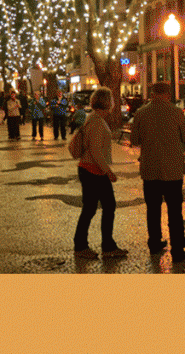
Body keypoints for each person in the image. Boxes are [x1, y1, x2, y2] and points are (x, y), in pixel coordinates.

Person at [130, 82, 185, 263]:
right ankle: (178, 250)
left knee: (153, 209)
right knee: (175, 210)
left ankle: (155, 243)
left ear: (151, 94)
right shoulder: (176, 112)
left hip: (150, 168)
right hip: (172, 169)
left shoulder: (141, 112)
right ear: (167, 94)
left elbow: (134, 139)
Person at [73, 87, 128, 259]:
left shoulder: (94, 118)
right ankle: (98, 246)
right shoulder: (97, 122)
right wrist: (108, 172)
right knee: (101, 207)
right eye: (112, 100)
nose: (113, 103)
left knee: (93, 208)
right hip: (93, 171)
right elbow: (96, 150)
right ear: (107, 102)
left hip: (89, 168)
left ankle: (91, 245)